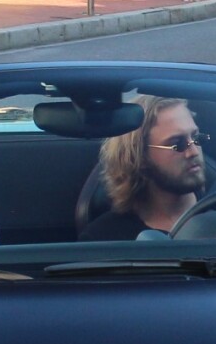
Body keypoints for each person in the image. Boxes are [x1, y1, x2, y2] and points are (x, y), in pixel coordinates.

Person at [83, 96, 209, 239]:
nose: (193, 152)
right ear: (140, 157)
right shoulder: (105, 240)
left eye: (196, 137)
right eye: (177, 144)